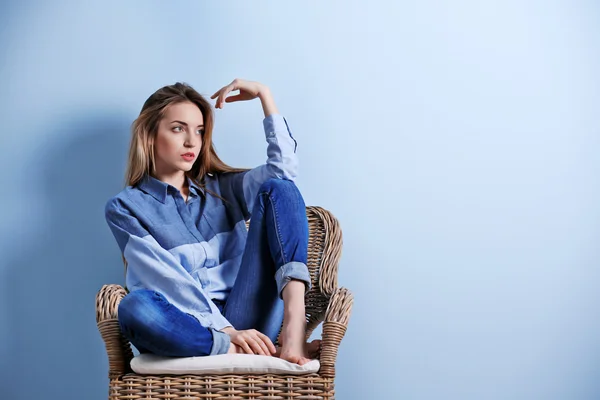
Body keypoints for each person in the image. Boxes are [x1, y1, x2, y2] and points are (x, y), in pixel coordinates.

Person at [104, 78, 320, 365]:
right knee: (135, 307)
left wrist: (264, 96)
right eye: (178, 128)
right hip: (191, 325)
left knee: (281, 187)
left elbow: (283, 171)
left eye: (200, 131)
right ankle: (232, 352)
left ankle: (293, 334)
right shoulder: (125, 207)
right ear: (150, 134)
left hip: (248, 318)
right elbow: (166, 280)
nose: (192, 141)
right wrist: (226, 333)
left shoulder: (223, 188)